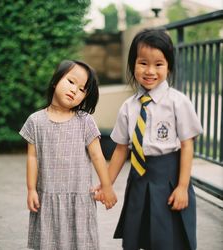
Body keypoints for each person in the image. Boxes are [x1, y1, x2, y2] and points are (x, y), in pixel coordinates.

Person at [94, 29, 203, 250]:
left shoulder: (178, 102)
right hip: (139, 179)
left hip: (169, 178)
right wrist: (107, 185)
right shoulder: (128, 107)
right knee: (137, 236)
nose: (150, 71)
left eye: (158, 64)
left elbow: (187, 145)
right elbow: (121, 149)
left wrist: (182, 187)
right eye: (143, 63)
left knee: (168, 239)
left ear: (169, 66)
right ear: (133, 64)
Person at [19, 59, 117, 250]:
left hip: (78, 197)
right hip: (48, 197)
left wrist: (107, 186)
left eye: (82, 89)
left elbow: (98, 156)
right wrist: (31, 189)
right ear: (56, 80)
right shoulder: (35, 121)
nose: (74, 90)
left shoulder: (85, 121)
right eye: (71, 82)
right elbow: (33, 157)